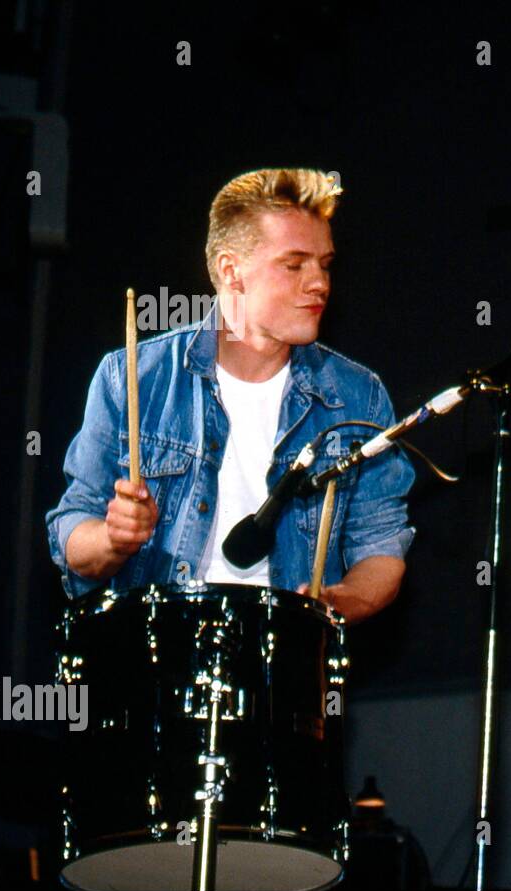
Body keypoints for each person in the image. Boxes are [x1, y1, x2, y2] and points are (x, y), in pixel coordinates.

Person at [47, 168, 414, 624]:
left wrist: (339, 602)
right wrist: (110, 538)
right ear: (230, 271)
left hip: (284, 663)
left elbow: (380, 548)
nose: (319, 282)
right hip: (156, 657)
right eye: (294, 264)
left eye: (325, 264)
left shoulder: (359, 397)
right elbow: (70, 532)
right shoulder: (132, 376)